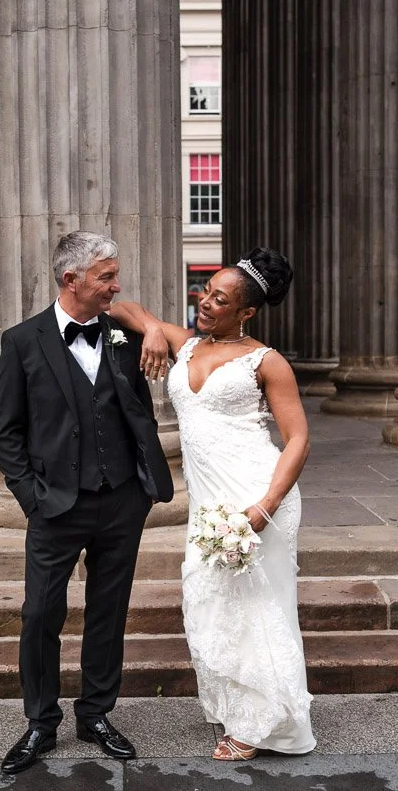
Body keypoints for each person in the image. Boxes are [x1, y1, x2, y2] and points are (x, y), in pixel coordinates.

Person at [110, 246, 316, 760]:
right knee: (212, 601)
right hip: (210, 503)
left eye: (219, 299)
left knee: (259, 606)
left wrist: (265, 507)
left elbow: (297, 440)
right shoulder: (187, 345)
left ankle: (259, 724)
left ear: (246, 312)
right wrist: (155, 329)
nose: (205, 302)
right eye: (206, 290)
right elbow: (121, 309)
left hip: (258, 494)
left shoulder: (267, 362)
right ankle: (239, 708)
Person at [0, 231, 174, 775]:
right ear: (72, 280)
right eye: (106, 277)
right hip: (56, 505)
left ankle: (96, 715)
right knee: (40, 613)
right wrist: (33, 499)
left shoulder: (123, 332)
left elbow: (135, 409)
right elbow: (7, 433)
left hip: (122, 500)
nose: (115, 286)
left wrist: (156, 330)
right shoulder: (23, 341)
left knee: (108, 611)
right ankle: (40, 723)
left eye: (115, 276)